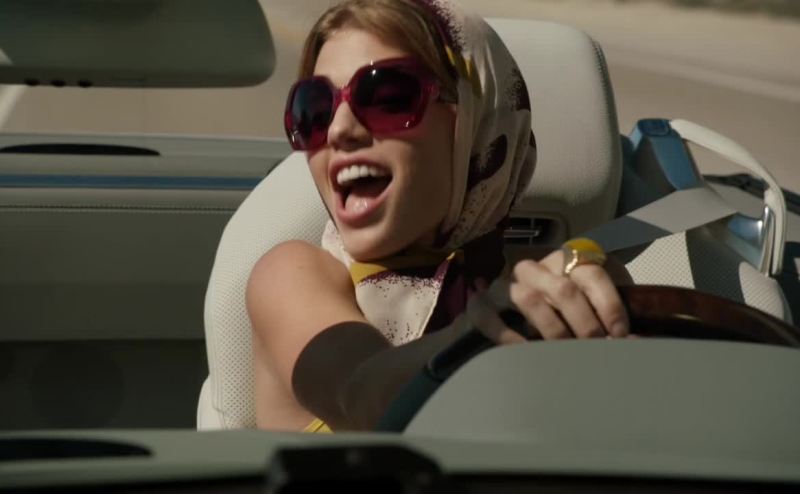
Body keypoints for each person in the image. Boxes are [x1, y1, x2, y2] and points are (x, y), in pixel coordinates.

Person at [247, 0, 631, 433]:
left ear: (477, 123)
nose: (339, 130)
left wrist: (604, 296)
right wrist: (490, 326)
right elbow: (363, 396)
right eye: (315, 109)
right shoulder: (290, 276)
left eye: (387, 97)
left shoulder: (546, 280)